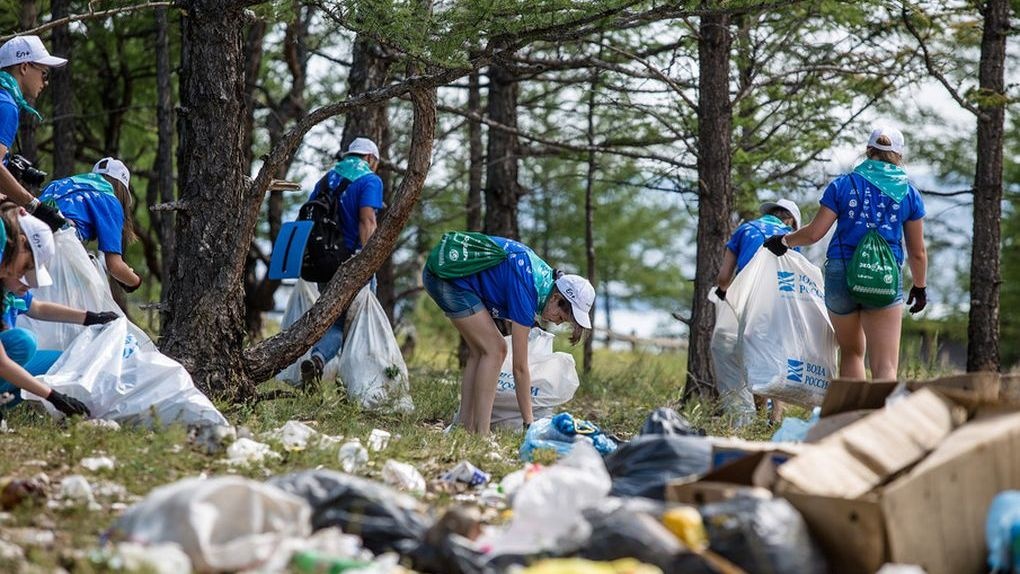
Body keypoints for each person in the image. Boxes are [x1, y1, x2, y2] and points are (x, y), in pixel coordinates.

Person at [763, 126, 927, 380]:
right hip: (882, 278)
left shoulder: (843, 184)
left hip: (841, 275)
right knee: (885, 366)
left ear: (868, 150)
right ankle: (881, 419)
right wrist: (919, 286)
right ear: (898, 155)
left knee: (851, 353)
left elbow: (814, 233)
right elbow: (917, 252)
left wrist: (783, 240)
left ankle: (851, 418)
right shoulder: (909, 193)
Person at [422, 233, 595, 434]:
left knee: (480, 352)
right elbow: (520, 368)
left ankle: (464, 426)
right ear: (556, 298)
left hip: (444, 273)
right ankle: (482, 434)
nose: (557, 323)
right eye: (562, 318)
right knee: (496, 350)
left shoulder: (541, 279)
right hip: (446, 278)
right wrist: (530, 424)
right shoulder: (528, 289)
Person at [0, 206, 117, 419]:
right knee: (23, 342)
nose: (25, 278)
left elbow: (38, 307)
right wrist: (53, 396)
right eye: (26, 267)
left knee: (61, 362)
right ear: (19, 244)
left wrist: (89, 317)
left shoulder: (8, 290)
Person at [299, 137, 384, 388]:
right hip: (352, 260)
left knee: (334, 320)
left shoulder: (326, 178)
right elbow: (367, 220)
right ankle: (354, 383)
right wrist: (369, 262)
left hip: (323, 262)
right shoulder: (369, 179)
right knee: (356, 323)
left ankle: (317, 360)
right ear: (370, 158)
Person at [39, 157, 142, 292]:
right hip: (59, 247)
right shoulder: (109, 200)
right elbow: (114, 266)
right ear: (121, 189)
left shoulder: (60, 184)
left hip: (31, 235)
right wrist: (135, 281)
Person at [0, 35, 68, 231]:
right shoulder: (6, 105)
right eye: (44, 73)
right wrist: (33, 205)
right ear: (24, 67)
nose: (45, 83)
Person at [716, 198, 802, 300]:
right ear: (790, 221)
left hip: (746, 295)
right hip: (777, 301)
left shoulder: (744, 229)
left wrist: (723, 291)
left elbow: (724, 279)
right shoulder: (792, 239)